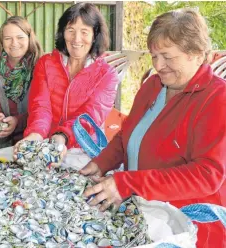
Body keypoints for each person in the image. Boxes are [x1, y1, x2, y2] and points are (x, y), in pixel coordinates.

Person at [81, 9, 226, 247]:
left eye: (168, 57)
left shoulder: (217, 98)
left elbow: (207, 175)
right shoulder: (153, 84)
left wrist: (127, 183)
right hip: (145, 212)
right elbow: (127, 134)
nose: (159, 65)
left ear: (197, 54)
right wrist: (100, 163)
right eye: (154, 56)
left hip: (187, 227)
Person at [15, 3, 119, 161]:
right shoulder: (45, 64)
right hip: (46, 144)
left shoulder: (107, 75)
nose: (76, 39)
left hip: (84, 150)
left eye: (84, 32)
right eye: (71, 31)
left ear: (95, 35)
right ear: (63, 33)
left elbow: (89, 116)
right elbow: (40, 106)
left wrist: (62, 136)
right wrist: (35, 135)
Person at [0, 16, 43, 148]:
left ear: (29, 38)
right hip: (7, 146)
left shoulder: (42, 67)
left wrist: (18, 121)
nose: (14, 43)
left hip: (38, 143)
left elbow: (45, 111)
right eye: (8, 38)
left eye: (20, 37)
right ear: (1, 42)